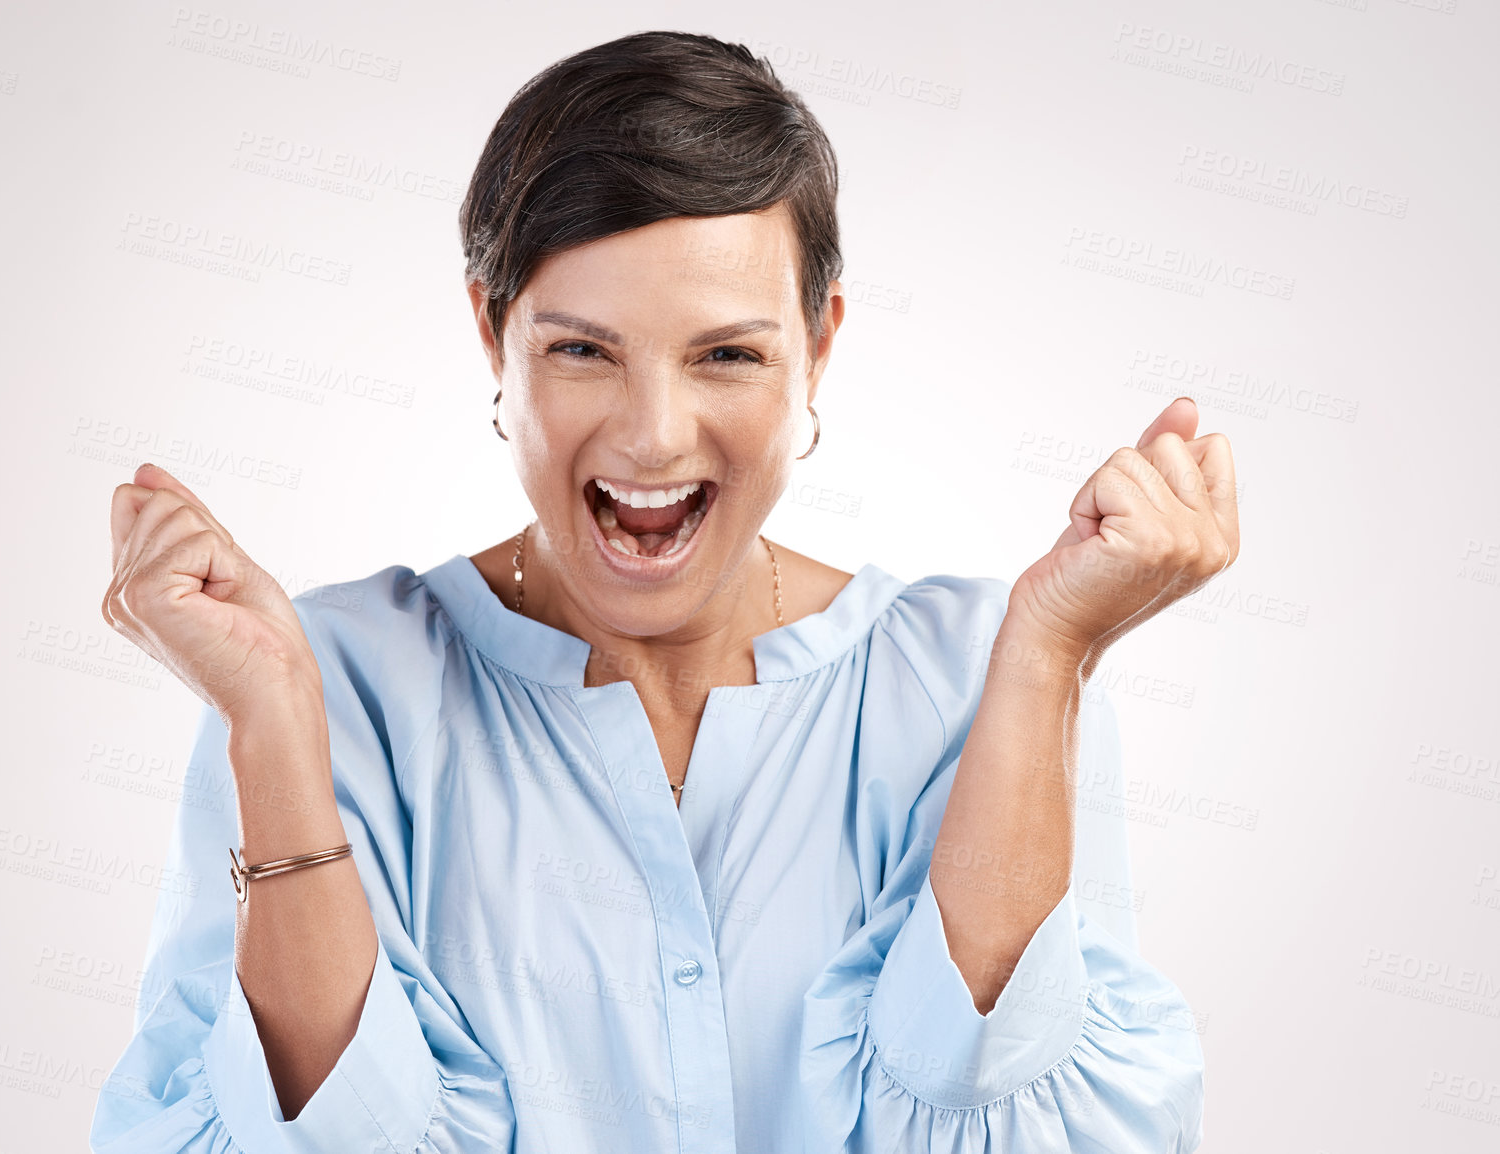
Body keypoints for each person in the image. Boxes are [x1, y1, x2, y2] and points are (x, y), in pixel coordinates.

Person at [90, 30, 1235, 1154]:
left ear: (817, 348)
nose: (650, 436)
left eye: (726, 355)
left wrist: (1048, 657)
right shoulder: (324, 682)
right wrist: (277, 724)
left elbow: (987, 1121)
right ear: (494, 331)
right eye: (583, 350)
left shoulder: (972, 675)